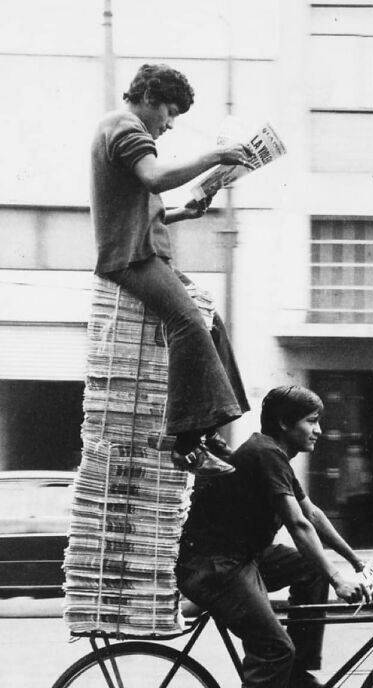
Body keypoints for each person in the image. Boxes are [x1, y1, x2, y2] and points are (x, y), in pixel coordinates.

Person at [175, 385, 373, 688]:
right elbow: (298, 526)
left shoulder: (273, 454)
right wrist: (338, 578)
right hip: (216, 566)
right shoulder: (265, 454)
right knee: (273, 650)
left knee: (310, 568)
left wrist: (354, 562)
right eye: (312, 421)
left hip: (240, 556)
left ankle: (297, 675)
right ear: (285, 423)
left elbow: (312, 514)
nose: (319, 430)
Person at [90, 63, 253, 476]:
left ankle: (209, 429)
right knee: (187, 323)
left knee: (210, 322)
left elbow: (143, 210)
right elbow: (155, 178)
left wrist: (183, 212)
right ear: (149, 98)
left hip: (142, 251)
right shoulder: (126, 128)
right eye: (170, 112)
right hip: (132, 257)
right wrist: (216, 155)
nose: (170, 124)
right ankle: (186, 444)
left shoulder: (124, 129)